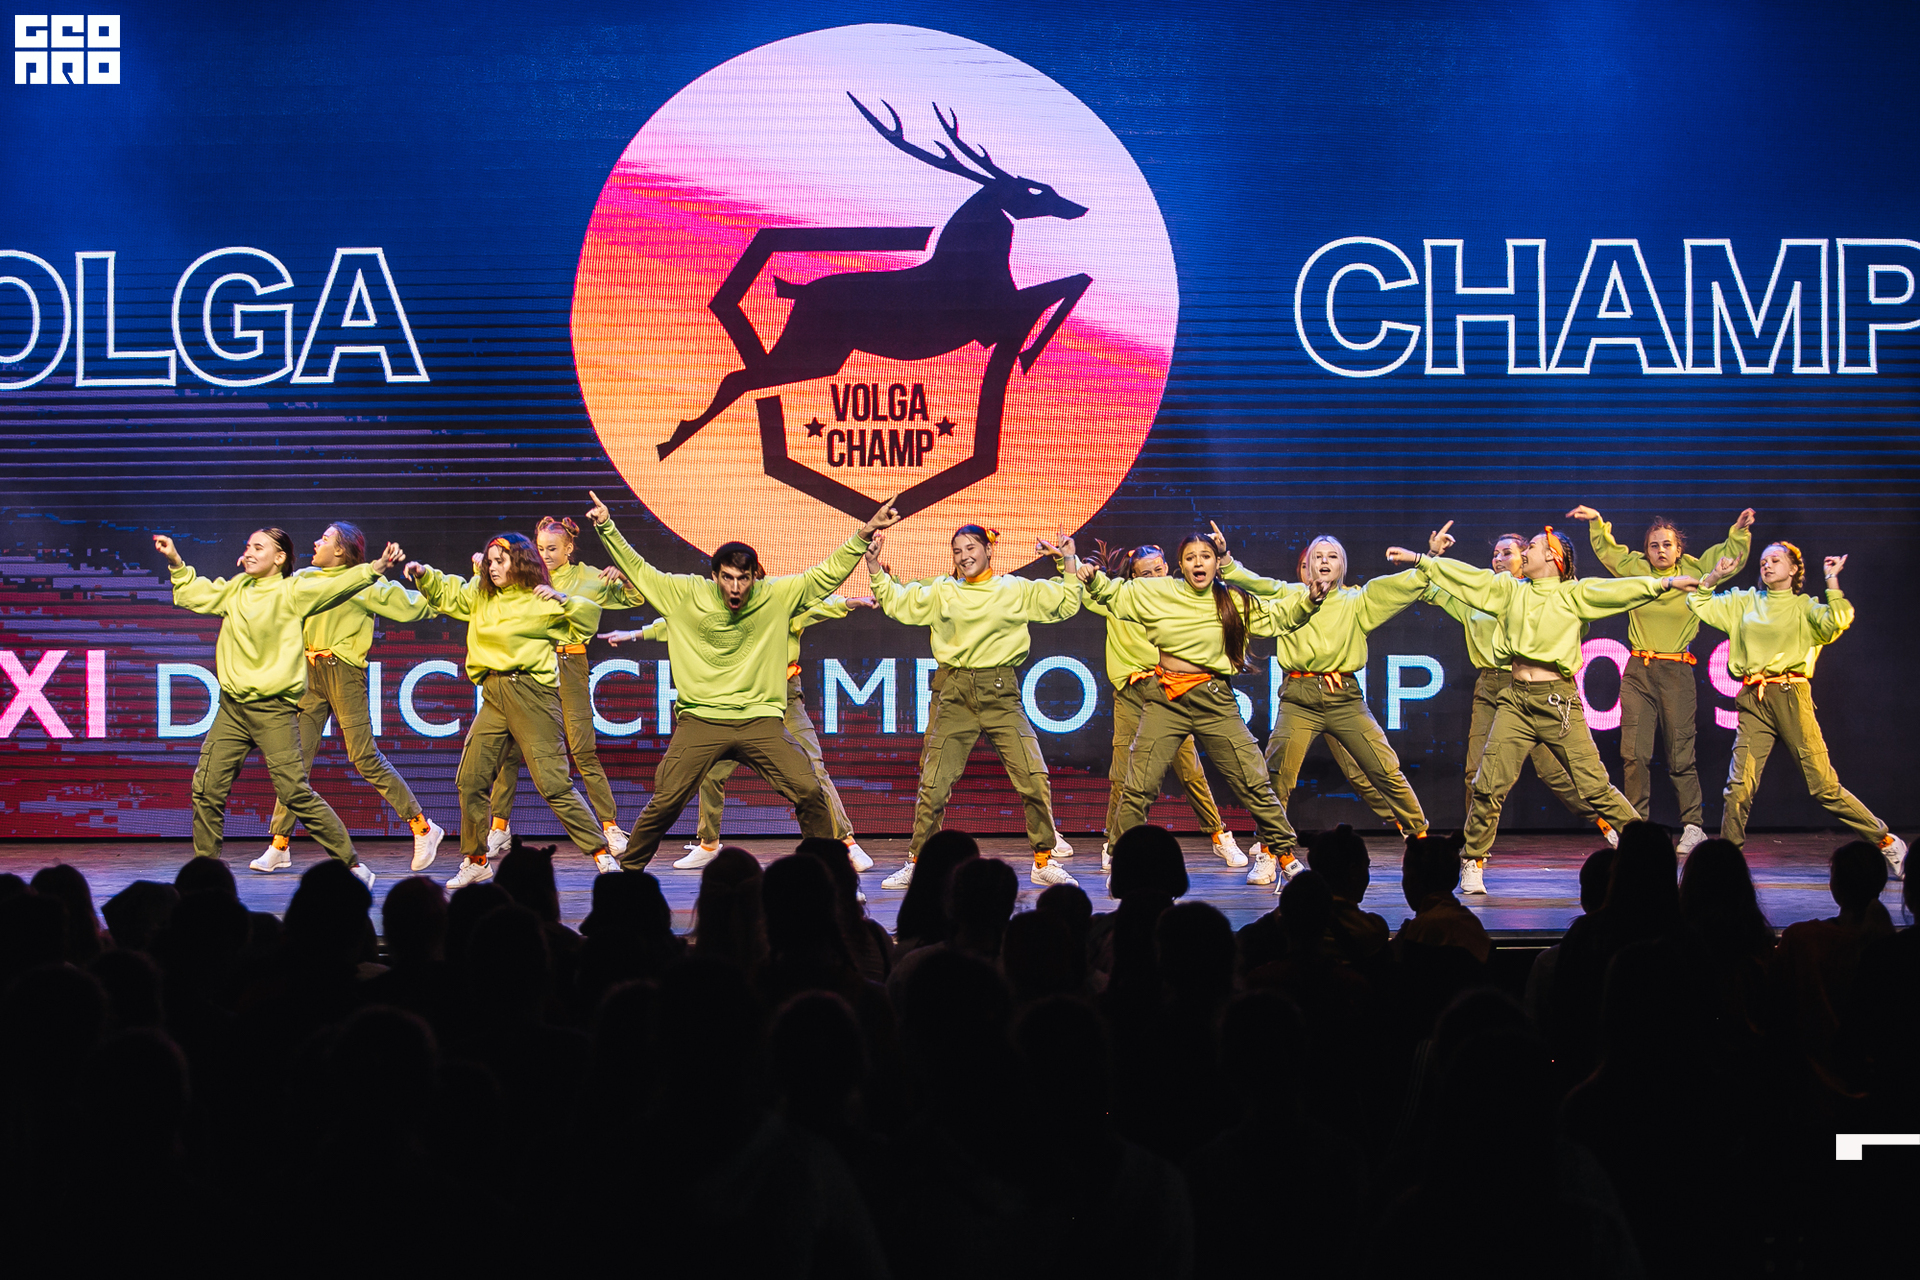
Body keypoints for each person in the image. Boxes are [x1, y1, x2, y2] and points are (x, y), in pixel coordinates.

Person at [589, 489, 900, 869]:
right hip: (701, 720)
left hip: (759, 720)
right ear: (715, 575)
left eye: (743, 579)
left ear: (755, 577)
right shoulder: (684, 594)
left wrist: (865, 532)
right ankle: (628, 876)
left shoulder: (774, 596)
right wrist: (607, 527)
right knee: (666, 801)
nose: (735, 587)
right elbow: (639, 569)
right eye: (727, 578)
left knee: (809, 789)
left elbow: (824, 576)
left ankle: (829, 876)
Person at [1385, 525, 1696, 894]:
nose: (1524, 551)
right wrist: (1421, 559)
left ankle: (1649, 854)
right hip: (1515, 700)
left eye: (1531, 546)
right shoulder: (1509, 590)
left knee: (1595, 786)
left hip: (1558, 702)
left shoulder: (1572, 593)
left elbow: (1619, 591)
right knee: (1488, 783)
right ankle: (1473, 858)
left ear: (1551, 556)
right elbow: (1467, 578)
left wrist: (1663, 584)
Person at [153, 526, 402, 891]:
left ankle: (352, 866)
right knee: (206, 789)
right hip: (233, 711)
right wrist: (175, 560)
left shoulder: (293, 592)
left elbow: (338, 586)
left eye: (259, 547)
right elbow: (193, 593)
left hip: (273, 711)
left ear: (280, 557)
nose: (249, 552)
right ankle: (206, 878)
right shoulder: (235, 589)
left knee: (294, 793)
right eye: (247, 546)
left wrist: (376, 567)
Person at [1077, 528, 1326, 885]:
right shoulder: (1160, 591)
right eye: (1191, 557)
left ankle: (1284, 854)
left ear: (1215, 563)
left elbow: (1277, 617)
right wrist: (1092, 579)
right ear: (1180, 565)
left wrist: (1310, 601)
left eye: (1205, 556)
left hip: (1214, 700)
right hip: (1166, 699)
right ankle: (1122, 861)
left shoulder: (1231, 599)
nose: (1198, 563)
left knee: (1253, 780)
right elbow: (1114, 594)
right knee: (1139, 784)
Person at [868, 524, 1083, 890]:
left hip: (1000, 694)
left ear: (988, 550)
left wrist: (1069, 561)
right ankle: (918, 862)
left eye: (971, 548)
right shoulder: (943, 591)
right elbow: (899, 603)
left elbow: (1065, 603)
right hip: (955, 694)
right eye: (957, 551)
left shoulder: (1014, 589)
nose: (964, 556)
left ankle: (1044, 860)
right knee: (934, 784)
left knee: (1034, 777)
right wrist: (874, 567)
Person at [604, 597, 878, 874]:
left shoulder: (778, 605)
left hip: (780, 695)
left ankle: (845, 842)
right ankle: (708, 844)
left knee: (811, 767)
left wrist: (851, 602)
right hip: (736, 701)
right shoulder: (722, 609)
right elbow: (681, 622)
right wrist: (635, 634)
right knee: (710, 772)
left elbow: (817, 607)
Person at [405, 532, 616, 889]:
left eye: (500, 561)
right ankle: (476, 860)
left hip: (532, 696)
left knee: (553, 784)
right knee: (470, 779)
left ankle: (602, 854)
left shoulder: (538, 598)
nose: (492, 567)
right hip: (494, 695)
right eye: (489, 561)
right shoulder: (481, 595)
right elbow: (449, 594)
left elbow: (587, 620)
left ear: (518, 562)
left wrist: (563, 600)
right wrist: (424, 574)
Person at [1688, 542, 1906, 877]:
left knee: (1823, 786)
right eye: (1763, 561)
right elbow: (1698, 601)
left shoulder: (1805, 607)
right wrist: (1715, 575)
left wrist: (1832, 580)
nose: (1767, 565)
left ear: (1793, 569)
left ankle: (1886, 840)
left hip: (1792, 696)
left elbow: (1839, 619)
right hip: (1754, 698)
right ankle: (1727, 866)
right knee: (1738, 787)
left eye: (1775, 560)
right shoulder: (1744, 601)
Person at [1217, 530, 1429, 852]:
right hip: (1299, 698)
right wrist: (1225, 559)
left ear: (1342, 564)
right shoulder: (1290, 594)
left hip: (1344, 699)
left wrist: (1428, 558)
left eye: (1332, 556)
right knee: (1278, 773)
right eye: (1318, 556)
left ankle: (1420, 838)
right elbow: (1254, 582)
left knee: (1385, 768)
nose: (1325, 561)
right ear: (1308, 565)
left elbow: (1402, 585)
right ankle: (1269, 849)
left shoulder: (1357, 600)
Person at [258, 521, 447, 876]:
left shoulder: (362, 582)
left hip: (343, 672)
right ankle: (279, 845)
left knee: (363, 756)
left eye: (325, 538)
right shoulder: (306, 578)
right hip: (310, 673)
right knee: (294, 761)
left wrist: (437, 586)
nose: (316, 542)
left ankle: (423, 827)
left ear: (340, 550)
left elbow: (414, 607)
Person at [1569, 503, 1756, 852]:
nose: (1660, 551)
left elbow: (1728, 558)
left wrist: (1740, 531)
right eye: (1654, 545)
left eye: (1667, 544)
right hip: (1638, 669)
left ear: (1678, 549)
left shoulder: (1696, 570)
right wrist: (1596, 522)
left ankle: (1693, 826)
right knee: (1633, 754)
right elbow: (1610, 553)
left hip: (1676, 670)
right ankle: (1633, 825)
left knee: (1680, 754)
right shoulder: (1638, 570)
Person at [1423, 528, 1612, 843]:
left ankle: (1607, 822)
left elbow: (1577, 625)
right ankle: (1474, 846)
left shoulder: (1544, 595)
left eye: (1507, 553)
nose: (1498, 559)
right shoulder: (1479, 595)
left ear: (1525, 557)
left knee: (1554, 772)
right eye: (1495, 554)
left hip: (1530, 686)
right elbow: (1430, 589)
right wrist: (1432, 556)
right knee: (1476, 772)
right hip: (1490, 686)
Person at [483, 515, 646, 862]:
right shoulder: (525, 575)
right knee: (510, 749)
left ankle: (610, 827)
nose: (545, 555)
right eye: (540, 548)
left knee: (582, 748)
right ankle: (499, 828)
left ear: (569, 548)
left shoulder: (590, 577)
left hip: (570, 663)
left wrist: (623, 579)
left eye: (552, 549)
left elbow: (635, 600)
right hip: (530, 664)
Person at [1084, 541, 1245, 870]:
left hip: (1169, 690)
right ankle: (1114, 843)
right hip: (1131, 693)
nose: (1155, 577)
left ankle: (1219, 835)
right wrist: (1069, 563)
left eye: (1159, 570)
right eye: (1146, 574)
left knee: (1189, 769)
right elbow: (1087, 591)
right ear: (1133, 577)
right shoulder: (1121, 599)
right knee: (1123, 772)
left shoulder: (1178, 599)